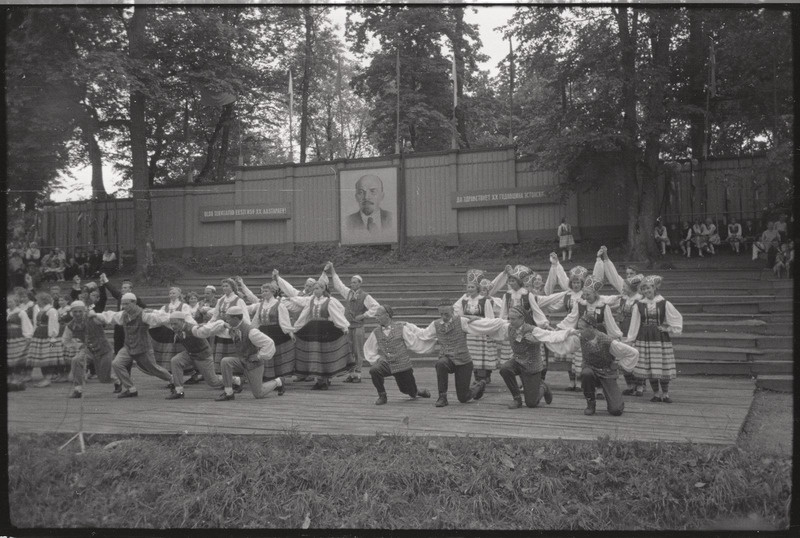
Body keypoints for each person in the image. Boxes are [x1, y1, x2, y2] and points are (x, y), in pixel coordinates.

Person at [486, 306, 578, 409]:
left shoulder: (533, 330)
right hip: (517, 360)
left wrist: (569, 332)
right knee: (505, 369)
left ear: (521, 318)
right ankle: (517, 399)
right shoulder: (509, 327)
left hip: (532, 365)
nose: (510, 321)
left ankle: (543, 387)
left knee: (531, 403)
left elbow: (551, 335)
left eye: (513, 319)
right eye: (509, 318)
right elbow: (490, 326)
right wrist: (471, 321)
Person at [91, 293, 175, 398]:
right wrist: (96, 315)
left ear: (134, 303)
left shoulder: (144, 314)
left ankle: (172, 380)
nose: (124, 306)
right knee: (117, 363)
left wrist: (175, 319)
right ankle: (131, 389)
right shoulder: (123, 314)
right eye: (123, 304)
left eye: (126, 304)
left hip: (143, 348)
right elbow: (111, 316)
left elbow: (159, 318)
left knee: (154, 369)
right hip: (128, 347)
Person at [192, 305, 283, 401]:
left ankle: (278, 382)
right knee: (226, 361)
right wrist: (204, 326)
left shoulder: (251, 331)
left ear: (235, 318)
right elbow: (215, 331)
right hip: (242, 361)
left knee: (258, 393)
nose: (227, 321)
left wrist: (259, 356)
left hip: (254, 364)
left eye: (228, 319)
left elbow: (269, 342)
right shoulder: (232, 329)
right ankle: (229, 393)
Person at [150, 310, 241, 400]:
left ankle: (235, 380)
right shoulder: (175, 325)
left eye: (175, 324)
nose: (173, 326)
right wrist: (151, 311)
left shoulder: (193, 329)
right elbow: (163, 317)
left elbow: (207, 329)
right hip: (190, 353)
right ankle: (179, 391)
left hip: (203, 355)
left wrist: (222, 324)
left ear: (183, 321)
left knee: (213, 382)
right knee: (175, 360)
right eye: (172, 324)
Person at [624, 275, 683, 403]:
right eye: (644, 289)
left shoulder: (663, 303)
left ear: (654, 288)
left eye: (648, 288)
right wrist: (631, 339)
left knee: (662, 364)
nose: (646, 291)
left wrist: (668, 328)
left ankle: (665, 394)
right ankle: (656, 393)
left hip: (659, 337)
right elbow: (635, 323)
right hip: (644, 337)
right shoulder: (639, 305)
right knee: (649, 365)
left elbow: (676, 318)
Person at [569, 314, 639, 416]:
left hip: (607, 373)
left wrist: (619, 365)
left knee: (616, 410)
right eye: (578, 328)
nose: (579, 331)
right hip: (591, 371)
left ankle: (615, 401)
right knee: (586, 373)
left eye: (582, 329)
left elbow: (633, 353)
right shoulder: (580, 338)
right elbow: (561, 342)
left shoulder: (606, 340)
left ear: (591, 328)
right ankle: (590, 403)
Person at [321, 263, 380, 383]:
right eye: (351, 282)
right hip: (348, 326)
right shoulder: (348, 293)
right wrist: (333, 271)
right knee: (349, 349)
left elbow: (376, 307)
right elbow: (339, 285)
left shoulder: (365, 296)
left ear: (359, 284)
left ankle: (358, 373)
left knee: (358, 350)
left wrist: (364, 315)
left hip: (358, 326)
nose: (352, 284)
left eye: (354, 282)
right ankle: (351, 373)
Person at [363, 305, 432, 405]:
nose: (376, 318)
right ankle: (382, 396)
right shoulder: (376, 332)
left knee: (408, 391)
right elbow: (368, 348)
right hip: (388, 364)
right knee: (374, 370)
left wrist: (431, 342)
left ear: (387, 315)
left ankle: (418, 392)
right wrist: (377, 359)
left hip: (403, 364)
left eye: (378, 315)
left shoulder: (401, 328)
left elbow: (414, 342)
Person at [599, 248, 645, 396]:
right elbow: (614, 278)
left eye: (632, 274)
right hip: (623, 328)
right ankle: (630, 384)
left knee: (637, 355)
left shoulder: (642, 297)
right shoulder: (623, 296)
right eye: (628, 274)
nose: (629, 276)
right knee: (624, 353)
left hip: (637, 331)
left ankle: (640, 385)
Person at [289, 280, 352, 390]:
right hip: (313, 330)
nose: (315, 291)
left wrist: (344, 326)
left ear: (323, 289)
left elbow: (336, 315)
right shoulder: (311, 301)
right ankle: (319, 380)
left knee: (324, 355)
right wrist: (296, 328)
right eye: (314, 289)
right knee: (315, 354)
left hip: (325, 330)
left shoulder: (329, 301)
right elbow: (304, 316)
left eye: (317, 288)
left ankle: (325, 380)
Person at [238, 278, 294, 394]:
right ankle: (269, 380)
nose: (264, 293)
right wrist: (250, 330)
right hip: (264, 331)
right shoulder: (261, 305)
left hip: (277, 333)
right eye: (262, 291)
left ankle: (279, 381)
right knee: (264, 354)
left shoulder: (279, 304)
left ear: (272, 292)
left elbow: (284, 320)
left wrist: (289, 332)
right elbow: (256, 320)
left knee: (276, 355)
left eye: (266, 291)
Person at [63, 301, 118, 398]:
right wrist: (78, 345)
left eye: (80, 311)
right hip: (88, 349)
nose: (78, 314)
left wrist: (96, 314)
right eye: (75, 312)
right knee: (76, 360)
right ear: (71, 312)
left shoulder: (93, 318)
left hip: (103, 348)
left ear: (84, 311)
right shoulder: (70, 326)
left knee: (104, 378)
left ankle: (118, 381)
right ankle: (78, 389)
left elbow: (107, 319)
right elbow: (66, 340)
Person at [453, 269, 497, 386]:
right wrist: (467, 317)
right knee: (472, 355)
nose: (470, 289)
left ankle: (482, 377)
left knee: (481, 355)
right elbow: (459, 313)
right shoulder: (464, 300)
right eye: (469, 287)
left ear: (477, 288)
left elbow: (490, 317)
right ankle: (476, 376)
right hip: (469, 332)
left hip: (481, 331)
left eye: (472, 287)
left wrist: (477, 319)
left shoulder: (484, 301)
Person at [208, 278, 251, 374]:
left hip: (233, 331)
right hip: (221, 330)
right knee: (221, 356)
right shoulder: (221, 300)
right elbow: (215, 316)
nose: (224, 288)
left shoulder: (238, 300)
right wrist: (207, 326)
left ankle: (236, 377)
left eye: (227, 286)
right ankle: (223, 376)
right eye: (223, 286)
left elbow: (245, 317)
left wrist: (244, 331)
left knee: (233, 356)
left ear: (232, 287)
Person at [149, 286, 193, 371]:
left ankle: (182, 373)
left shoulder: (184, 306)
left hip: (179, 333)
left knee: (179, 353)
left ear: (179, 294)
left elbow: (186, 318)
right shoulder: (165, 307)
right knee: (168, 354)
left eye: (174, 293)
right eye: (170, 293)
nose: (172, 295)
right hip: (167, 334)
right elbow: (159, 318)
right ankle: (171, 376)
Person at [26, 292, 65, 387]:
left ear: (43, 300)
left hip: (49, 338)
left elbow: (54, 324)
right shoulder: (42, 310)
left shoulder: (51, 311)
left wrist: (52, 338)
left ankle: (48, 378)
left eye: (38, 300)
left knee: (49, 357)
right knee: (42, 358)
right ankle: (46, 378)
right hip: (40, 336)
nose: (37, 302)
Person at [343, 174, 395, 241]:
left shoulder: (392, 218)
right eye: (361, 192)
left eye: (373, 191)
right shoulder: (347, 222)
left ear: (382, 196)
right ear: (356, 197)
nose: (366, 197)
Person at [6, 293, 33, 387]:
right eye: (8, 301)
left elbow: (26, 324)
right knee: (8, 358)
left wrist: (28, 336)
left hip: (17, 336)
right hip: (8, 337)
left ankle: (17, 377)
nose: (9, 303)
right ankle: (9, 377)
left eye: (11, 301)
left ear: (16, 302)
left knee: (17, 358)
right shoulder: (6, 312)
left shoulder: (21, 312)